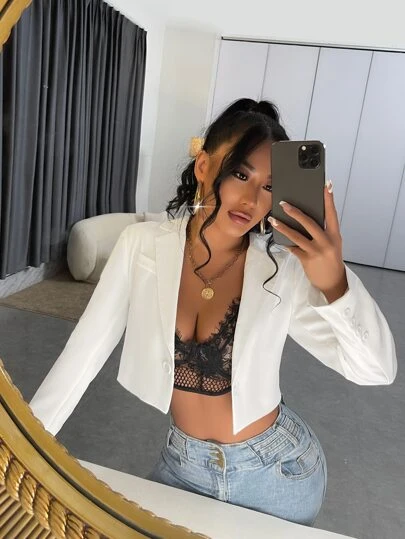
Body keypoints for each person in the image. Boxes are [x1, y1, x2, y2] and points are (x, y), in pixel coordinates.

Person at [30, 98, 397, 527]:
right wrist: (27, 447)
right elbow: (83, 354)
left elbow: (376, 370)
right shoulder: (142, 246)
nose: (252, 199)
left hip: (276, 471)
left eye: (269, 186)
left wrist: (335, 283)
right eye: (240, 173)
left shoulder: (281, 271)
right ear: (203, 166)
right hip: (182, 465)